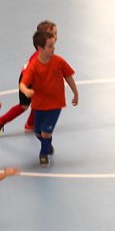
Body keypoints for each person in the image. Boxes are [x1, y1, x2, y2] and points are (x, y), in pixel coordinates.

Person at [19, 30, 79, 167]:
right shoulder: (34, 65)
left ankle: (43, 153)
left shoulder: (59, 61)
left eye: (53, 45)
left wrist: (75, 92)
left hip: (55, 104)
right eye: (50, 46)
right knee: (38, 132)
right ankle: (48, 146)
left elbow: (68, 76)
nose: (54, 48)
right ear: (40, 48)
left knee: (46, 132)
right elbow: (22, 83)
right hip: (39, 105)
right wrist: (26, 90)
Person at [0, 20, 57, 138]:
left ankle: (31, 124)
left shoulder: (47, 50)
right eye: (52, 34)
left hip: (35, 80)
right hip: (27, 81)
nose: (55, 36)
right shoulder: (40, 54)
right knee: (24, 106)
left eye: (55, 33)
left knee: (40, 101)